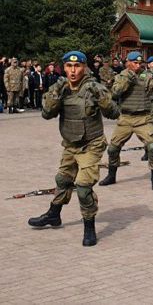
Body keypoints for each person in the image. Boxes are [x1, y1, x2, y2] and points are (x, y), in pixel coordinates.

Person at [27, 51, 119, 246]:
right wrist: (55, 93)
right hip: (70, 144)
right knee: (63, 179)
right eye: (69, 66)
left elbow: (114, 113)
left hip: (91, 144)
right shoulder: (60, 88)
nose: (73, 70)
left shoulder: (94, 88)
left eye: (77, 66)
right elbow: (46, 114)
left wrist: (102, 100)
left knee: (84, 187)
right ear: (64, 67)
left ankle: (89, 227)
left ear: (84, 67)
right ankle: (54, 214)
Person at [99, 52, 153, 190]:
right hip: (126, 118)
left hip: (143, 118)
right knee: (112, 149)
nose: (138, 65)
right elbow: (116, 92)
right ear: (127, 62)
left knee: (152, 147)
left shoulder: (146, 75)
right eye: (135, 62)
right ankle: (111, 175)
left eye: (140, 63)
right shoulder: (121, 75)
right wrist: (128, 77)